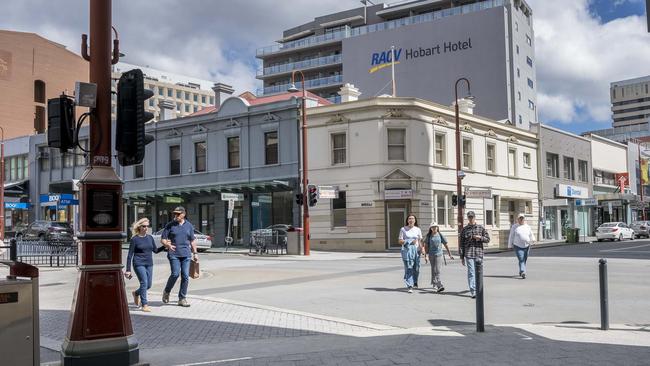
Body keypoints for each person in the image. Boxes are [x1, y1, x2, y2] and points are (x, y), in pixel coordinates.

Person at [161, 206, 198, 307]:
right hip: (174, 254)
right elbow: (163, 239)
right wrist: (167, 245)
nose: (176, 215)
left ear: (183, 214)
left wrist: (195, 253)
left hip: (186, 254)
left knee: (185, 276)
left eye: (178, 214)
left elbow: (192, 240)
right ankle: (167, 291)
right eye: (175, 214)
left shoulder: (189, 226)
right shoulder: (170, 225)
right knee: (175, 274)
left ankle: (182, 298)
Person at [124, 218, 161, 312]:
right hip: (138, 263)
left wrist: (166, 246)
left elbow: (155, 251)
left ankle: (136, 293)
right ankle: (144, 304)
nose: (146, 228)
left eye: (147, 226)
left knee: (148, 285)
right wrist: (128, 270)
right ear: (139, 227)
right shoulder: (134, 239)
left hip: (149, 263)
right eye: (144, 226)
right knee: (144, 283)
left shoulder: (150, 238)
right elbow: (129, 256)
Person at [459, 211, 490, 298]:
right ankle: (473, 291)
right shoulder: (464, 230)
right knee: (471, 272)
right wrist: (461, 256)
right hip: (469, 253)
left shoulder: (480, 228)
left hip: (478, 253)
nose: (471, 218)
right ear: (468, 218)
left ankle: (478, 289)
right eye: (469, 217)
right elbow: (461, 244)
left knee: (478, 273)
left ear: (475, 217)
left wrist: (480, 238)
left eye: (472, 217)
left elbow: (487, 239)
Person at [423, 222, 453, 292]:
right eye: (433, 227)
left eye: (435, 227)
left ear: (437, 228)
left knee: (437, 270)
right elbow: (426, 246)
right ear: (430, 228)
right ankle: (434, 283)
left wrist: (450, 254)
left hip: (439, 254)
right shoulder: (429, 236)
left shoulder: (440, 235)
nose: (434, 228)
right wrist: (426, 256)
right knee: (433, 269)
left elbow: (446, 244)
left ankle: (439, 284)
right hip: (431, 255)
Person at [398, 214, 422, 293]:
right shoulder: (403, 229)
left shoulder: (418, 229)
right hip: (407, 251)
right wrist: (409, 241)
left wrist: (424, 252)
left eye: (413, 219)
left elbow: (420, 241)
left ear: (415, 220)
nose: (411, 220)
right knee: (409, 268)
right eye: (409, 219)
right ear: (407, 220)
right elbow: (400, 241)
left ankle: (415, 281)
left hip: (417, 251)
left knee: (416, 268)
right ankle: (410, 285)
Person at [508, 213, 535, 279]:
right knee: (521, 258)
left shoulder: (527, 226)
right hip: (517, 246)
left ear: (524, 219)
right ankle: (523, 271)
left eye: (522, 218)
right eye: (520, 218)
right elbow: (511, 236)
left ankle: (521, 270)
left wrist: (533, 240)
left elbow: (531, 234)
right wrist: (509, 245)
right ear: (518, 219)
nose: (521, 219)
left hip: (527, 245)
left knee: (524, 259)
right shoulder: (514, 226)